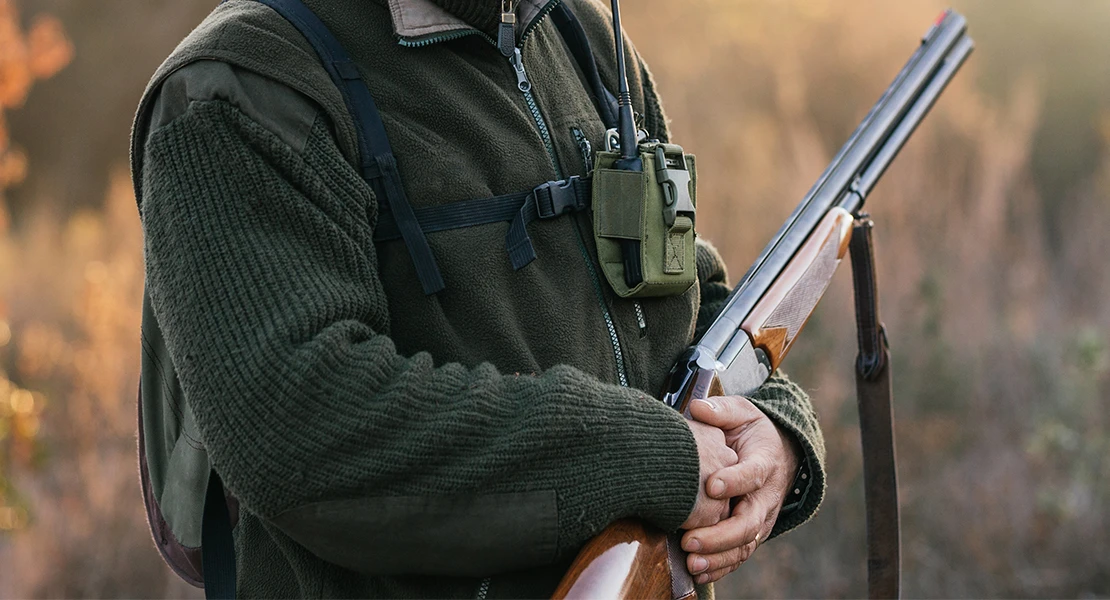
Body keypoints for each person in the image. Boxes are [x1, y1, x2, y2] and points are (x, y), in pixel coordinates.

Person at [132, 0, 827, 597]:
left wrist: (774, 432)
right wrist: (653, 459)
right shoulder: (242, 86)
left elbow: (686, 294)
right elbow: (299, 426)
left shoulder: (579, 35)